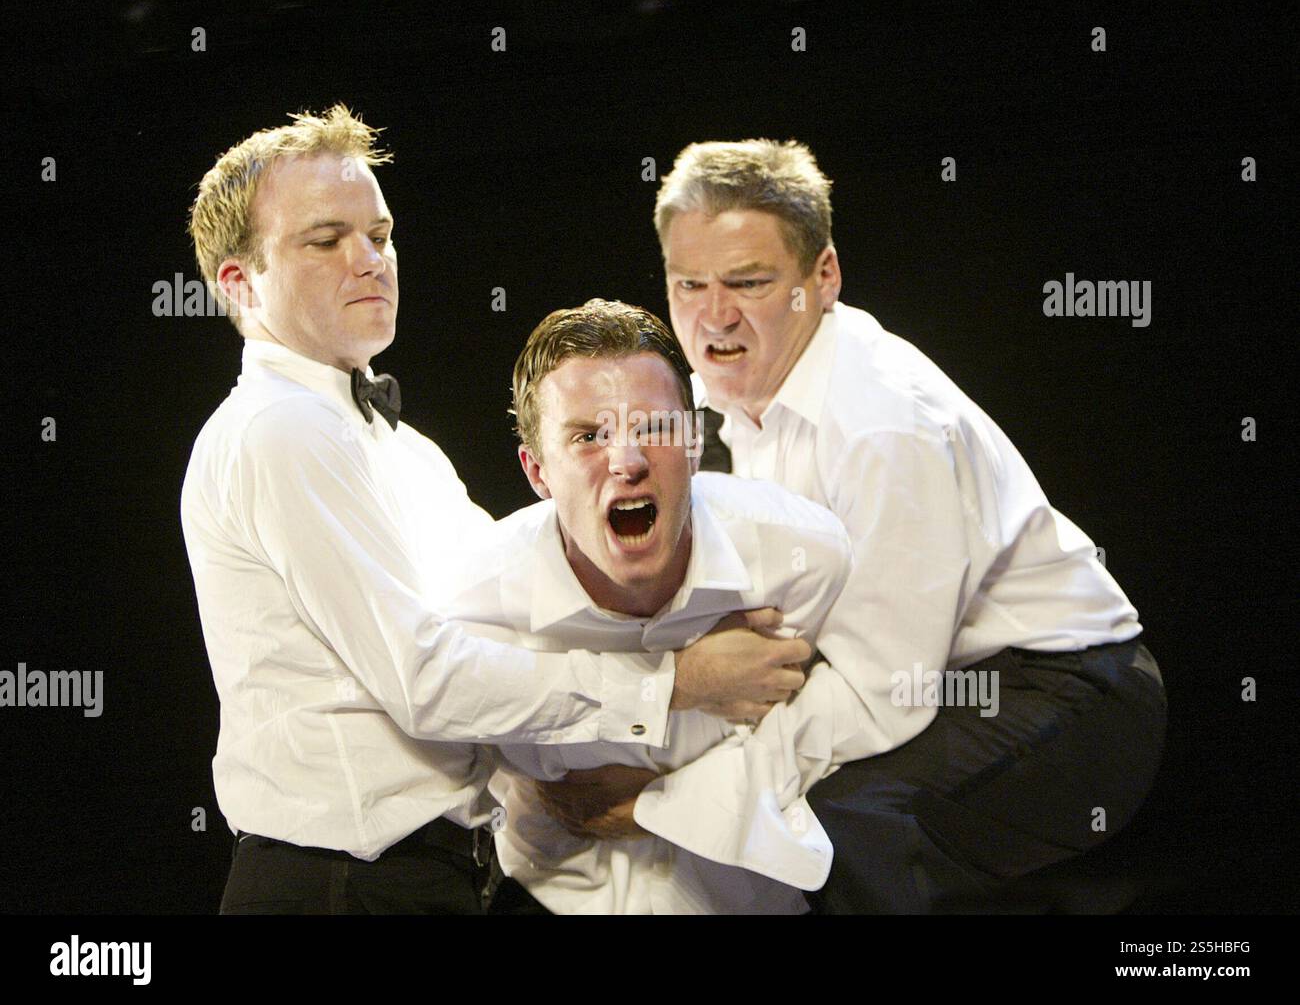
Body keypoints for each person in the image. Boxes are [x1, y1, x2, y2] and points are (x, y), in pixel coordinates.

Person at [179, 108, 811, 915]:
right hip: (339, 886)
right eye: (325, 239)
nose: (369, 259)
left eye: (380, 233)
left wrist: (558, 779)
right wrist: (675, 682)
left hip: (429, 876)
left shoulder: (406, 451)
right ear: (240, 281)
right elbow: (427, 680)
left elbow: (514, 627)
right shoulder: (279, 429)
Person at [564, 139, 1168, 914]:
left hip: (1075, 699)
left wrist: (676, 795)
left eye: (748, 282)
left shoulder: (883, 425)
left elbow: (884, 690)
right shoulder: (727, 401)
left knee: (832, 827)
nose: (713, 315)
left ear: (824, 277)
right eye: (690, 284)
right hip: (941, 681)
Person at [437, 299, 853, 914]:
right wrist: (682, 682)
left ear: (693, 443)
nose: (627, 462)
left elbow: (843, 732)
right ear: (538, 471)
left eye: (653, 428)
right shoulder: (473, 607)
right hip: (548, 901)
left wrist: (660, 806)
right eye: (588, 436)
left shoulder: (802, 558)